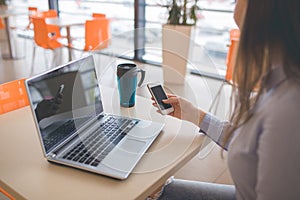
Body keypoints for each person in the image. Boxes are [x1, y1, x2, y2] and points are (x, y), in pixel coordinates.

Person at [151, 0, 300, 199]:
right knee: (160, 191)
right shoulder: (278, 80)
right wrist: (195, 115)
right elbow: (251, 141)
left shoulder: (288, 110)